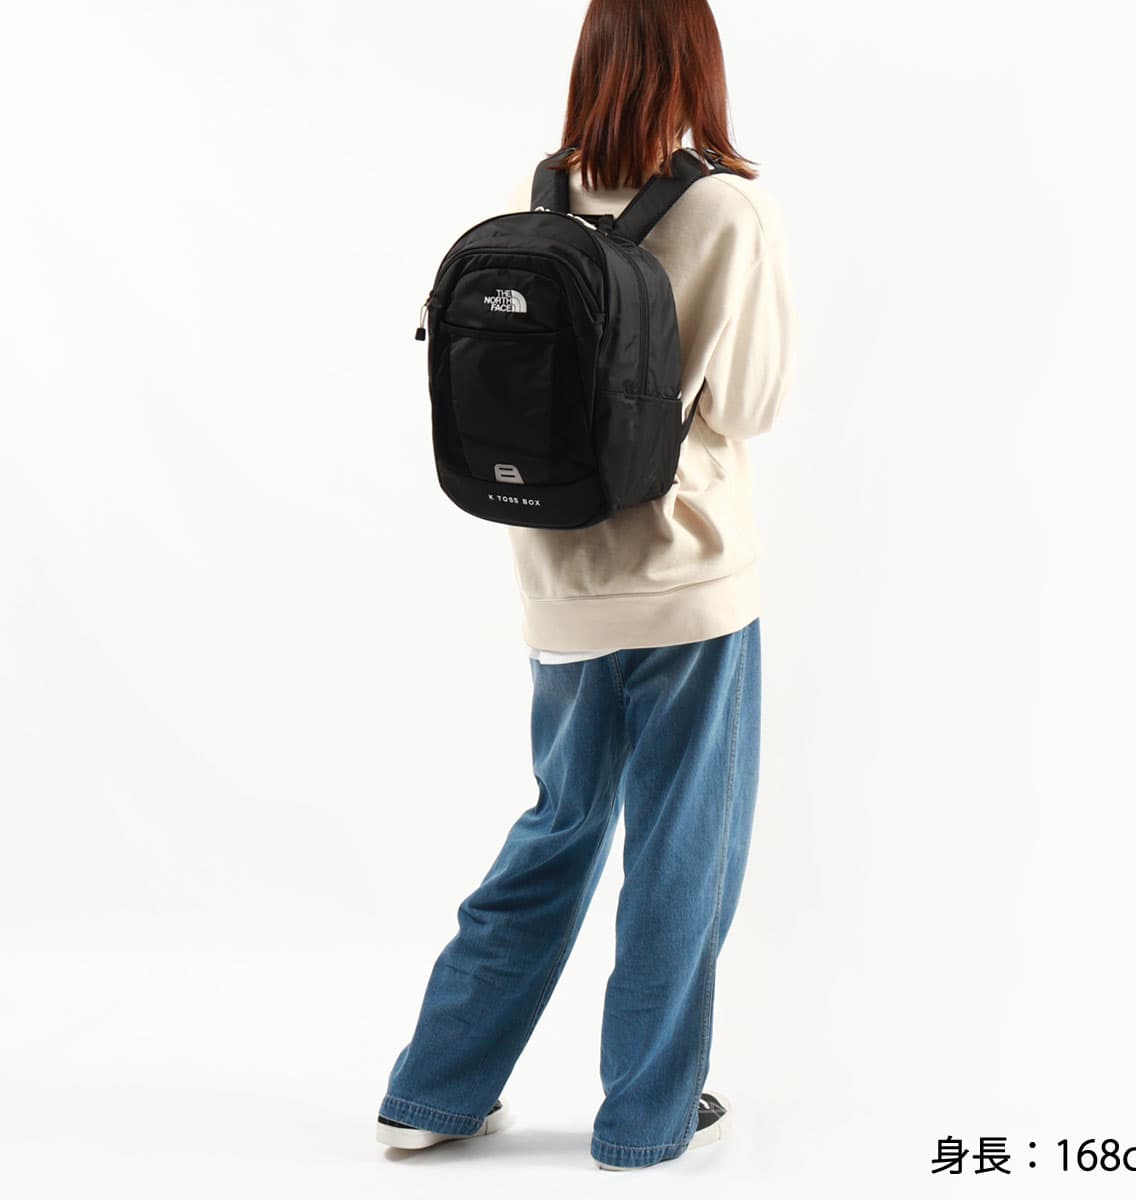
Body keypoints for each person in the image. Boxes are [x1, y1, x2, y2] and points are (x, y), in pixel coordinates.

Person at [377, 0, 798, 1171]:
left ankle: (432, 1090)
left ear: (592, 64)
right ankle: (646, 1120)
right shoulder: (725, 208)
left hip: (557, 578)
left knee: (559, 825)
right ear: (698, 65)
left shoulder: (539, 199)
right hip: (688, 583)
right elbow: (753, 404)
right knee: (680, 849)